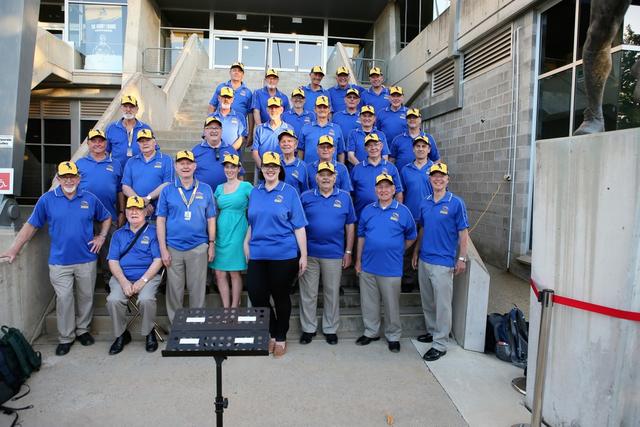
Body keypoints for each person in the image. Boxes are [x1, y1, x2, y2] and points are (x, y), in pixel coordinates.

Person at [0, 161, 111, 356]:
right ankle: (66, 337)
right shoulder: (47, 200)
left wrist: (101, 236)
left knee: (86, 297)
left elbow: (106, 217)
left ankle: (83, 330)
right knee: (64, 299)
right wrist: (14, 249)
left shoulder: (89, 198)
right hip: (59, 262)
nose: (69, 181)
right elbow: (31, 226)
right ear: (58, 179)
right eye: (64, 177)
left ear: (78, 178)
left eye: (72, 177)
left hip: (86, 259)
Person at [244, 151, 308, 357]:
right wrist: (246, 242)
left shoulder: (289, 192)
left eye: (274, 166)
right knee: (256, 294)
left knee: (280, 296)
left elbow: (299, 226)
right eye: (266, 166)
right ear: (261, 169)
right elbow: (253, 222)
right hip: (258, 253)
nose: (270, 170)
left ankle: (280, 336)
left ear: (280, 169)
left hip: (284, 254)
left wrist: (304, 255)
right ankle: (271, 330)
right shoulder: (255, 192)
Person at [412, 163, 469, 361]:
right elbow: (423, 228)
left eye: (441, 176)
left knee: (443, 305)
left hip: (443, 262)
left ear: (447, 179)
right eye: (434, 176)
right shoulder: (425, 202)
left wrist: (462, 257)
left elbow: (463, 232)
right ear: (430, 179)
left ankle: (440, 344)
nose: (438, 179)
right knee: (428, 301)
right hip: (425, 259)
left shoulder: (456, 203)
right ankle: (432, 331)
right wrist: (416, 251)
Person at [355, 173, 416, 353]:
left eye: (387, 186)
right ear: (375, 190)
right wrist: (358, 260)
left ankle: (393, 335)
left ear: (393, 189)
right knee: (369, 303)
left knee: (391, 305)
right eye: (380, 187)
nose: (384, 190)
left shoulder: (403, 211)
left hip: (391, 267)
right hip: (368, 265)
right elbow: (361, 236)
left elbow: (412, 236)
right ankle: (371, 331)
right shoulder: (367, 210)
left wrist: (398, 249)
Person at [299, 161, 356, 345]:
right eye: (322, 175)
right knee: (308, 293)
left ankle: (330, 328)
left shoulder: (345, 197)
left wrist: (348, 251)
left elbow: (350, 225)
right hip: (310, 253)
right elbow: (298, 225)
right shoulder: (306, 197)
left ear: (334, 178)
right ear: (316, 178)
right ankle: (308, 328)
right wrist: (301, 253)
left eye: (329, 175)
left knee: (332, 293)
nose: (325, 178)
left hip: (334, 253)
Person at [156, 150, 216, 323]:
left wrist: (211, 244)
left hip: (198, 247)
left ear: (194, 166)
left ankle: (196, 325)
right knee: (174, 290)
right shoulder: (167, 190)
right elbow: (161, 220)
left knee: (197, 290)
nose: (185, 166)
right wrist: (163, 249)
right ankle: (177, 326)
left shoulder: (205, 189)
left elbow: (211, 219)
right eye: (181, 163)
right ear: (175, 166)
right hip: (173, 248)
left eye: (188, 163)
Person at [106, 196, 163, 354]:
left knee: (146, 299)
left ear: (145, 212)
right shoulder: (118, 234)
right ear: (125, 212)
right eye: (130, 209)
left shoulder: (153, 233)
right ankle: (121, 334)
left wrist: (142, 281)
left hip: (148, 277)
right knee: (113, 300)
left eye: (138, 209)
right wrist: (124, 282)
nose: (134, 212)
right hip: (122, 277)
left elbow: (158, 260)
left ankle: (149, 332)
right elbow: (113, 261)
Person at [76, 129, 124, 288]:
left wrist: (122, 211)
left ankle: (109, 281)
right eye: (94, 141)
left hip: (109, 216)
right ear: (88, 143)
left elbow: (119, 190)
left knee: (109, 252)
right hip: (84, 217)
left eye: (101, 140)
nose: (98, 144)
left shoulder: (115, 164)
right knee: (85, 250)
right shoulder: (80, 163)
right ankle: (85, 284)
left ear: (106, 143)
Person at [210, 154, 253, 308]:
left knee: (234, 272)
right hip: (221, 231)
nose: (229, 170)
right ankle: (226, 308)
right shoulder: (219, 188)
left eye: (233, 167)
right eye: (227, 167)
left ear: (239, 168)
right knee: (219, 272)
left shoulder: (246, 186)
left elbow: (257, 206)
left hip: (238, 230)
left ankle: (234, 308)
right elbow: (213, 210)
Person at [399, 136, 434, 292]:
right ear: (413, 149)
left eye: (423, 146)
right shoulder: (405, 169)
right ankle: (407, 280)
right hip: (410, 216)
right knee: (407, 250)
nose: (420, 149)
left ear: (429, 149)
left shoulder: (435, 169)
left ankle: (423, 282)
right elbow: (401, 193)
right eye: (417, 146)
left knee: (425, 249)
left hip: (429, 217)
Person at [121, 129, 173, 218]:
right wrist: (140, 202)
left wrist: (148, 198)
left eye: (148, 140)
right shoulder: (131, 161)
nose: (145, 143)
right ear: (138, 144)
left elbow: (168, 183)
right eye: (141, 141)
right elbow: (125, 187)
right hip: (136, 211)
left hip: (159, 212)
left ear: (154, 142)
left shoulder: (166, 159)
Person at [350, 133, 402, 218]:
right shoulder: (357, 169)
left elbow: (398, 193)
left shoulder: (391, 168)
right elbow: (351, 194)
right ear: (365, 148)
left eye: (376, 144)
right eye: (369, 145)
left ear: (381, 146)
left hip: (386, 216)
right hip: (361, 216)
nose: (373, 148)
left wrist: (397, 213)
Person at [193, 116, 242, 192]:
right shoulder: (196, 151)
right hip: (202, 195)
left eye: (217, 128)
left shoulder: (231, 150)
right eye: (210, 128)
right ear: (205, 131)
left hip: (226, 195)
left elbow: (240, 175)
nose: (214, 131)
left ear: (221, 131)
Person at [105, 95, 152, 169]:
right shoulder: (111, 128)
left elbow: (154, 150)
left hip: (140, 170)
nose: (128, 109)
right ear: (121, 108)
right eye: (125, 106)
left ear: (137, 109)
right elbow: (105, 151)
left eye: (131, 107)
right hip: (117, 170)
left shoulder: (145, 128)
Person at [389, 108, 440, 173]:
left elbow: (436, 160)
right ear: (406, 120)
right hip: (402, 178)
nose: (412, 120)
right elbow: (391, 161)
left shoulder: (428, 138)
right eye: (409, 118)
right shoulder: (397, 139)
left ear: (420, 120)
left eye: (415, 117)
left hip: (423, 177)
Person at [298, 95, 345, 164]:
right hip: (309, 168)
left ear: (329, 109)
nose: (322, 110)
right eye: (319, 107)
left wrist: (341, 167)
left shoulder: (336, 128)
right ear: (315, 109)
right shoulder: (305, 128)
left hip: (330, 169)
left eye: (325, 107)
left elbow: (340, 152)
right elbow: (300, 150)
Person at [252, 97, 293, 166]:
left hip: (283, 168)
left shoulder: (289, 129)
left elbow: (292, 150)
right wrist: (262, 168)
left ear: (281, 110)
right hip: (263, 167)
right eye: (271, 108)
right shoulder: (260, 129)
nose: (273, 110)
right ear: (267, 110)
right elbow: (255, 151)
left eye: (276, 107)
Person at [208, 86, 248, 150]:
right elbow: (207, 137)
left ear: (232, 100)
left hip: (233, 154)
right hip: (214, 153)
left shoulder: (240, 117)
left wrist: (230, 151)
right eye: (224, 97)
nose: (226, 99)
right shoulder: (211, 117)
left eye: (229, 97)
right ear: (219, 98)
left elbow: (242, 137)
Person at [278, 129, 309, 195]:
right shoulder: (274, 162)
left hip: (294, 201)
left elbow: (305, 192)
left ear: (296, 145)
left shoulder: (303, 166)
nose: (286, 144)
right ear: (279, 144)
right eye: (283, 141)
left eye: (289, 141)